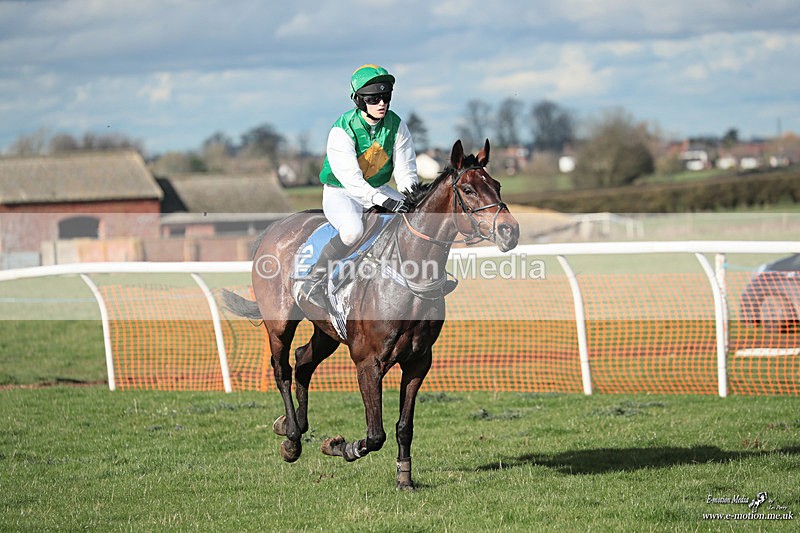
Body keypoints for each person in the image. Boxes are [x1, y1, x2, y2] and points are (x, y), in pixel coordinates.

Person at [299, 64, 420, 308]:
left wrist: (411, 199)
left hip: (378, 189)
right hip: (341, 192)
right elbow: (352, 181)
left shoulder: (397, 126)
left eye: (386, 97)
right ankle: (313, 280)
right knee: (352, 231)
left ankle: (423, 280)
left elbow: (406, 171)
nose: (382, 103)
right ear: (359, 100)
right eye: (374, 98)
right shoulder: (341, 130)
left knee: (413, 220)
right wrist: (383, 201)